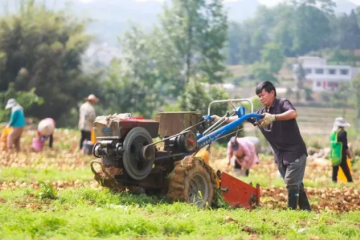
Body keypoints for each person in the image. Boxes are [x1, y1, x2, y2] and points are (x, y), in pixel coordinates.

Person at [212, 81, 311, 211]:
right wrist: (221, 119)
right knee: (295, 184)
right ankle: (306, 210)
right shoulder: (260, 113)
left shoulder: (282, 104)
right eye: (259, 96)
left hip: (295, 151)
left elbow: (293, 113)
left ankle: (291, 212)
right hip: (280, 155)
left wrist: (274, 117)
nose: (261, 98)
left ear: (272, 93)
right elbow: (244, 118)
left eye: (263, 95)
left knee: (292, 183)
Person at [330, 117, 353, 183]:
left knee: (334, 172)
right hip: (341, 155)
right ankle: (350, 182)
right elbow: (345, 146)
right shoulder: (343, 133)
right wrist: (349, 154)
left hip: (334, 155)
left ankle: (333, 183)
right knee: (346, 170)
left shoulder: (333, 133)